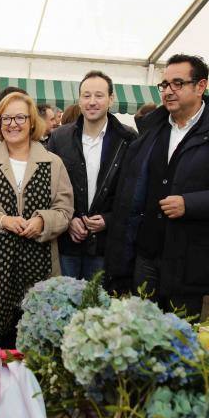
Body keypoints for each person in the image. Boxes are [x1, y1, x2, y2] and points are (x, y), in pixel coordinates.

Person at [105, 54, 209, 318]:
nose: (168, 91)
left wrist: (191, 204)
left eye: (177, 83)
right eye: (164, 85)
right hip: (146, 254)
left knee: (179, 342)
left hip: (190, 259)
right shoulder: (151, 130)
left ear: (200, 86)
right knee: (139, 334)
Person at [0, 92, 73, 346]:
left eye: (20, 117)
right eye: (6, 118)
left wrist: (43, 222)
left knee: (36, 347)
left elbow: (65, 210)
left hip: (40, 273)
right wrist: (1, 220)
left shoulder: (53, 164)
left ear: (32, 122)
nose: (13, 124)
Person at [48, 70, 137, 280]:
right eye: (86, 95)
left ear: (111, 99)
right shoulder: (60, 138)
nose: (92, 102)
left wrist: (109, 219)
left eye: (99, 95)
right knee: (65, 303)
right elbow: (49, 186)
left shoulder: (127, 139)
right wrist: (68, 219)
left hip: (105, 245)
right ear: (79, 100)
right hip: (67, 241)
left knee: (98, 306)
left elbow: (132, 190)